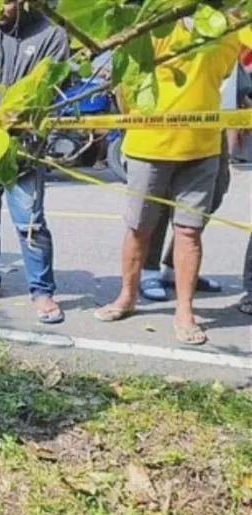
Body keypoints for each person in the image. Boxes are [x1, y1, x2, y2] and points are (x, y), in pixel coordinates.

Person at [95, 15, 243, 345]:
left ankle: (185, 311)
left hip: (202, 148)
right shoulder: (153, 24)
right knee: (139, 228)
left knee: (189, 232)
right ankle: (127, 296)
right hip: (150, 147)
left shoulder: (228, 28)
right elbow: (125, 85)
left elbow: (223, 73)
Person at [0, 0, 68, 324]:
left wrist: (16, 115)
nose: (0, 7)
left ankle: (42, 292)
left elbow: (51, 86)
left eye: (7, 1)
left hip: (24, 147)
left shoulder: (52, 34)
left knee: (29, 221)